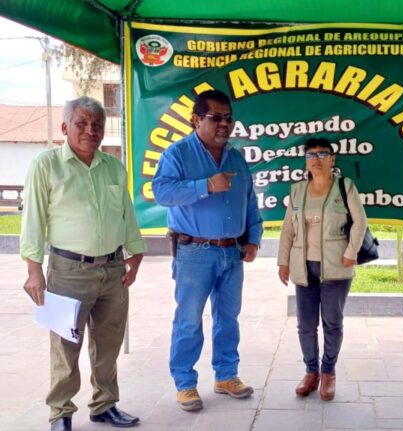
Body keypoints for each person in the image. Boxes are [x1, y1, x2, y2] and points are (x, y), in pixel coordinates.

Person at [20, 96, 147, 431]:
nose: (91, 131)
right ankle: (60, 413)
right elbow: (32, 220)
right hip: (67, 272)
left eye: (97, 125)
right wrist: (34, 271)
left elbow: (126, 215)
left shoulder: (113, 166)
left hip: (113, 271)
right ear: (65, 127)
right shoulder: (46, 165)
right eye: (82, 123)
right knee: (66, 347)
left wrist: (136, 255)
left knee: (108, 345)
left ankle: (104, 405)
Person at [152, 89, 263, 412]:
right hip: (193, 253)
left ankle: (226, 376)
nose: (224, 124)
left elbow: (250, 203)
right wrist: (206, 186)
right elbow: (161, 191)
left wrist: (253, 238)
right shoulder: (178, 154)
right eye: (216, 118)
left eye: (229, 118)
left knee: (228, 318)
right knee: (188, 319)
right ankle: (185, 383)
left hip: (232, 253)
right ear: (196, 119)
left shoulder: (237, 157)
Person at [277, 137, 368, 401]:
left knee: (332, 323)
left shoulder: (345, 186)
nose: (315, 160)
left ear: (332, 159)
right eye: (310, 155)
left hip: (337, 266)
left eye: (321, 154)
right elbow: (288, 229)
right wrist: (283, 262)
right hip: (303, 268)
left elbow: (360, 221)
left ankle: (328, 372)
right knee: (305, 324)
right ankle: (310, 372)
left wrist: (351, 252)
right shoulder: (297, 190)